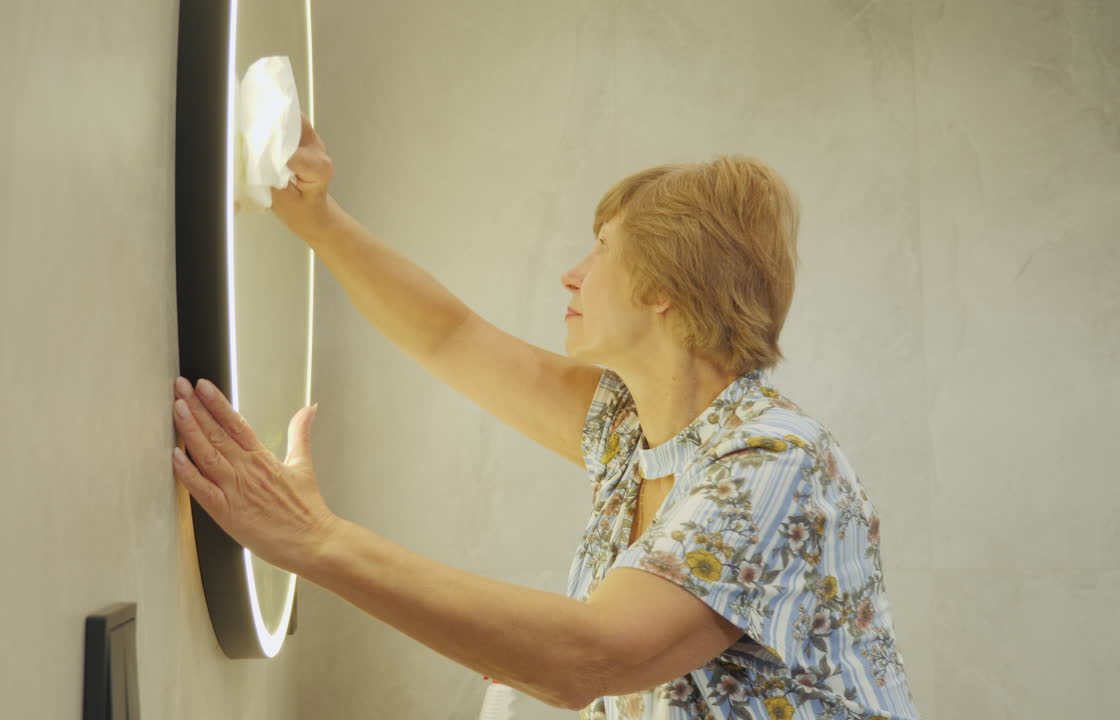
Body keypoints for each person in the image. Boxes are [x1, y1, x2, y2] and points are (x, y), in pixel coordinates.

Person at [171, 115, 919, 719]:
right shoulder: (633, 428)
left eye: (602, 249)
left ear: (666, 287)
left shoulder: (774, 464)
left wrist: (317, 540)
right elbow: (450, 336)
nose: (572, 274)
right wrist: (317, 220)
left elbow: (586, 659)